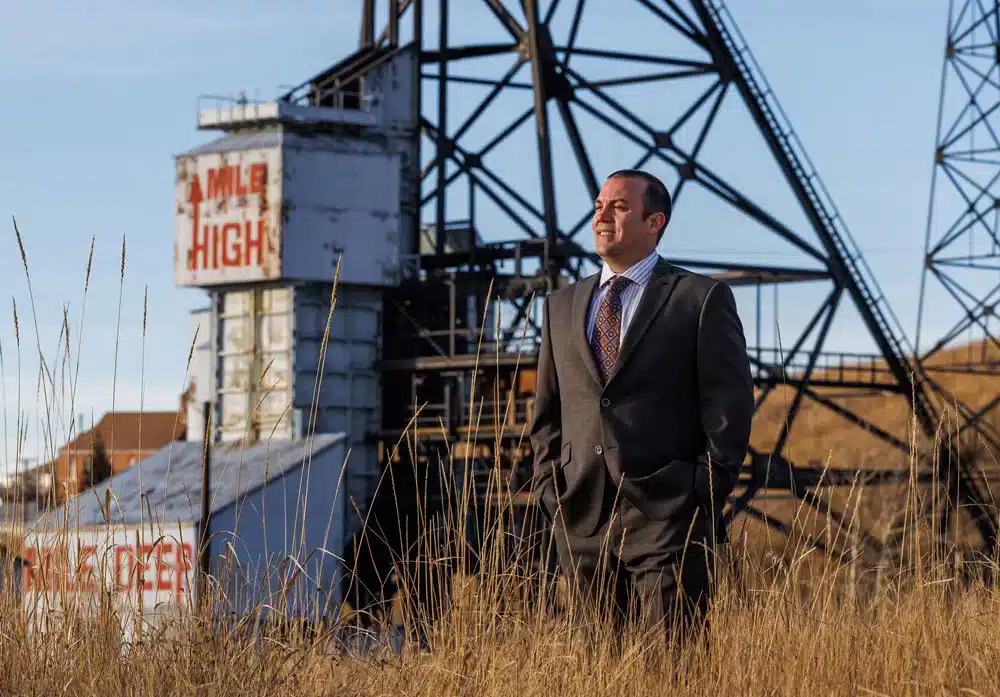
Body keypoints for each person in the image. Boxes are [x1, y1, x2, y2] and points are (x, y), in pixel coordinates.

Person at [529, 169, 754, 644]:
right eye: (597, 206)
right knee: (602, 671)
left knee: (673, 665)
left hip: (668, 512)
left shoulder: (700, 298)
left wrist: (701, 492)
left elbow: (729, 409)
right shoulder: (561, 306)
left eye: (619, 206)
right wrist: (554, 494)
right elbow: (546, 413)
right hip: (582, 515)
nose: (602, 216)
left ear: (655, 222)